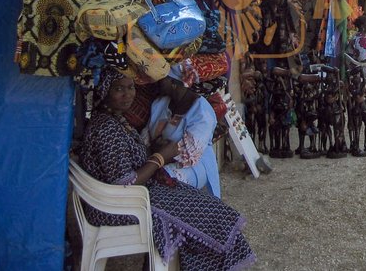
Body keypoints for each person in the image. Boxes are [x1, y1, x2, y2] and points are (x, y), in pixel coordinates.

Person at [79, 68, 255, 270]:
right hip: (118, 207)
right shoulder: (106, 129)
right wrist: (160, 157)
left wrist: (157, 154)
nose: (128, 94)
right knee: (203, 216)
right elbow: (126, 183)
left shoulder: (114, 120)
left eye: (130, 87)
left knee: (206, 209)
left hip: (133, 196)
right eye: (119, 89)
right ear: (105, 91)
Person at [144, 77, 221, 197]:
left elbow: (190, 154)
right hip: (159, 157)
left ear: (174, 82)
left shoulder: (202, 111)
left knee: (166, 177)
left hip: (195, 164)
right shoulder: (160, 103)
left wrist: (158, 154)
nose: (158, 80)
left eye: (164, 78)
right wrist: (161, 150)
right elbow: (146, 137)